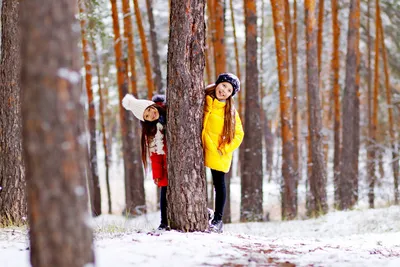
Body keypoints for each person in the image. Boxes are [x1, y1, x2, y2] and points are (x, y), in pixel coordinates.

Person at [202, 73, 244, 233]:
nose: (224, 91)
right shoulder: (204, 98)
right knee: (198, 179)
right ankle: (202, 209)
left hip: (219, 152)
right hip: (202, 147)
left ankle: (218, 219)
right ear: (217, 83)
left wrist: (224, 148)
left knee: (218, 184)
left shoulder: (230, 111)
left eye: (229, 90)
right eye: (224, 86)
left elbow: (239, 134)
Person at [122, 93, 169, 231]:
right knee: (164, 190)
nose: (151, 115)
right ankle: (164, 222)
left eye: (149, 110)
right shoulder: (152, 131)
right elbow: (154, 155)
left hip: (178, 161)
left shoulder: (168, 110)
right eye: (146, 116)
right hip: (166, 164)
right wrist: (158, 174)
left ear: (151, 104)